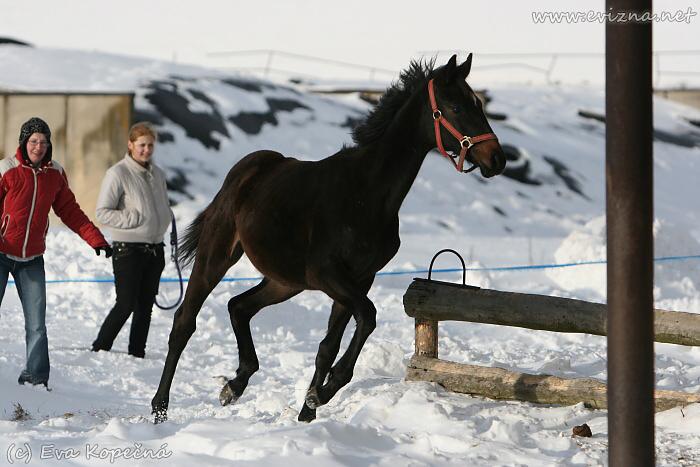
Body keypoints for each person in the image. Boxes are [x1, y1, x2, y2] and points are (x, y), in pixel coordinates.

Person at [0, 117, 112, 387]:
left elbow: (70, 211)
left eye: (43, 141)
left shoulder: (55, 174)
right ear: (24, 143)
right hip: (2, 254)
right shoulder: (7, 169)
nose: (38, 146)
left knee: (37, 323)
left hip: (32, 260)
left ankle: (36, 377)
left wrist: (96, 239)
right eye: (33, 141)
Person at [92, 122, 172, 358]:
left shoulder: (157, 174)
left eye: (150, 145)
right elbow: (102, 212)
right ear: (130, 145)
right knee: (126, 303)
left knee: (145, 305)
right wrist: (134, 217)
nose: (146, 150)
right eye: (141, 145)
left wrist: (165, 216)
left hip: (156, 248)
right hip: (128, 249)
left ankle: (137, 353)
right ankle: (100, 348)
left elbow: (159, 206)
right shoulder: (118, 173)